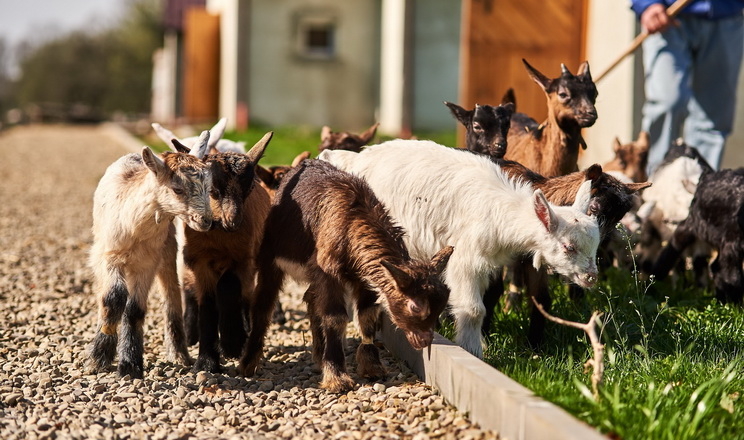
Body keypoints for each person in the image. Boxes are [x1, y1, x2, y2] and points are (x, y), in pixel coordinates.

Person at [631, 0, 744, 174]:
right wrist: (647, 4)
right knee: (668, 103)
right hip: (668, 15)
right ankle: (652, 186)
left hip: (726, 14)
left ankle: (699, 189)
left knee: (712, 117)